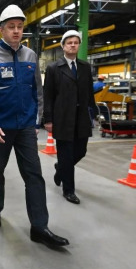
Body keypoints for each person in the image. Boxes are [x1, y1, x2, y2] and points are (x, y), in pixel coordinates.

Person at [0, 4, 69, 248]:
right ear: (1, 30)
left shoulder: (30, 56)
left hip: (26, 127)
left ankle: (39, 227)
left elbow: (38, 91)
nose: (16, 31)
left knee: (34, 175)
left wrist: (36, 120)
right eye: (11, 27)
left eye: (19, 26)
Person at [43, 29, 98, 205]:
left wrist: (94, 113)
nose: (73, 45)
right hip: (62, 118)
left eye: (76, 43)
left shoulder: (85, 67)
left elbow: (89, 92)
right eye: (69, 43)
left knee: (81, 151)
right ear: (63, 46)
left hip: (81, 117)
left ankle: (60, 169)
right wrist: (48, 120)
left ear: (79, 45)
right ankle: (69, 191)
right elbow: (48, 96)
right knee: (66, 154)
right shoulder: (53, 68)